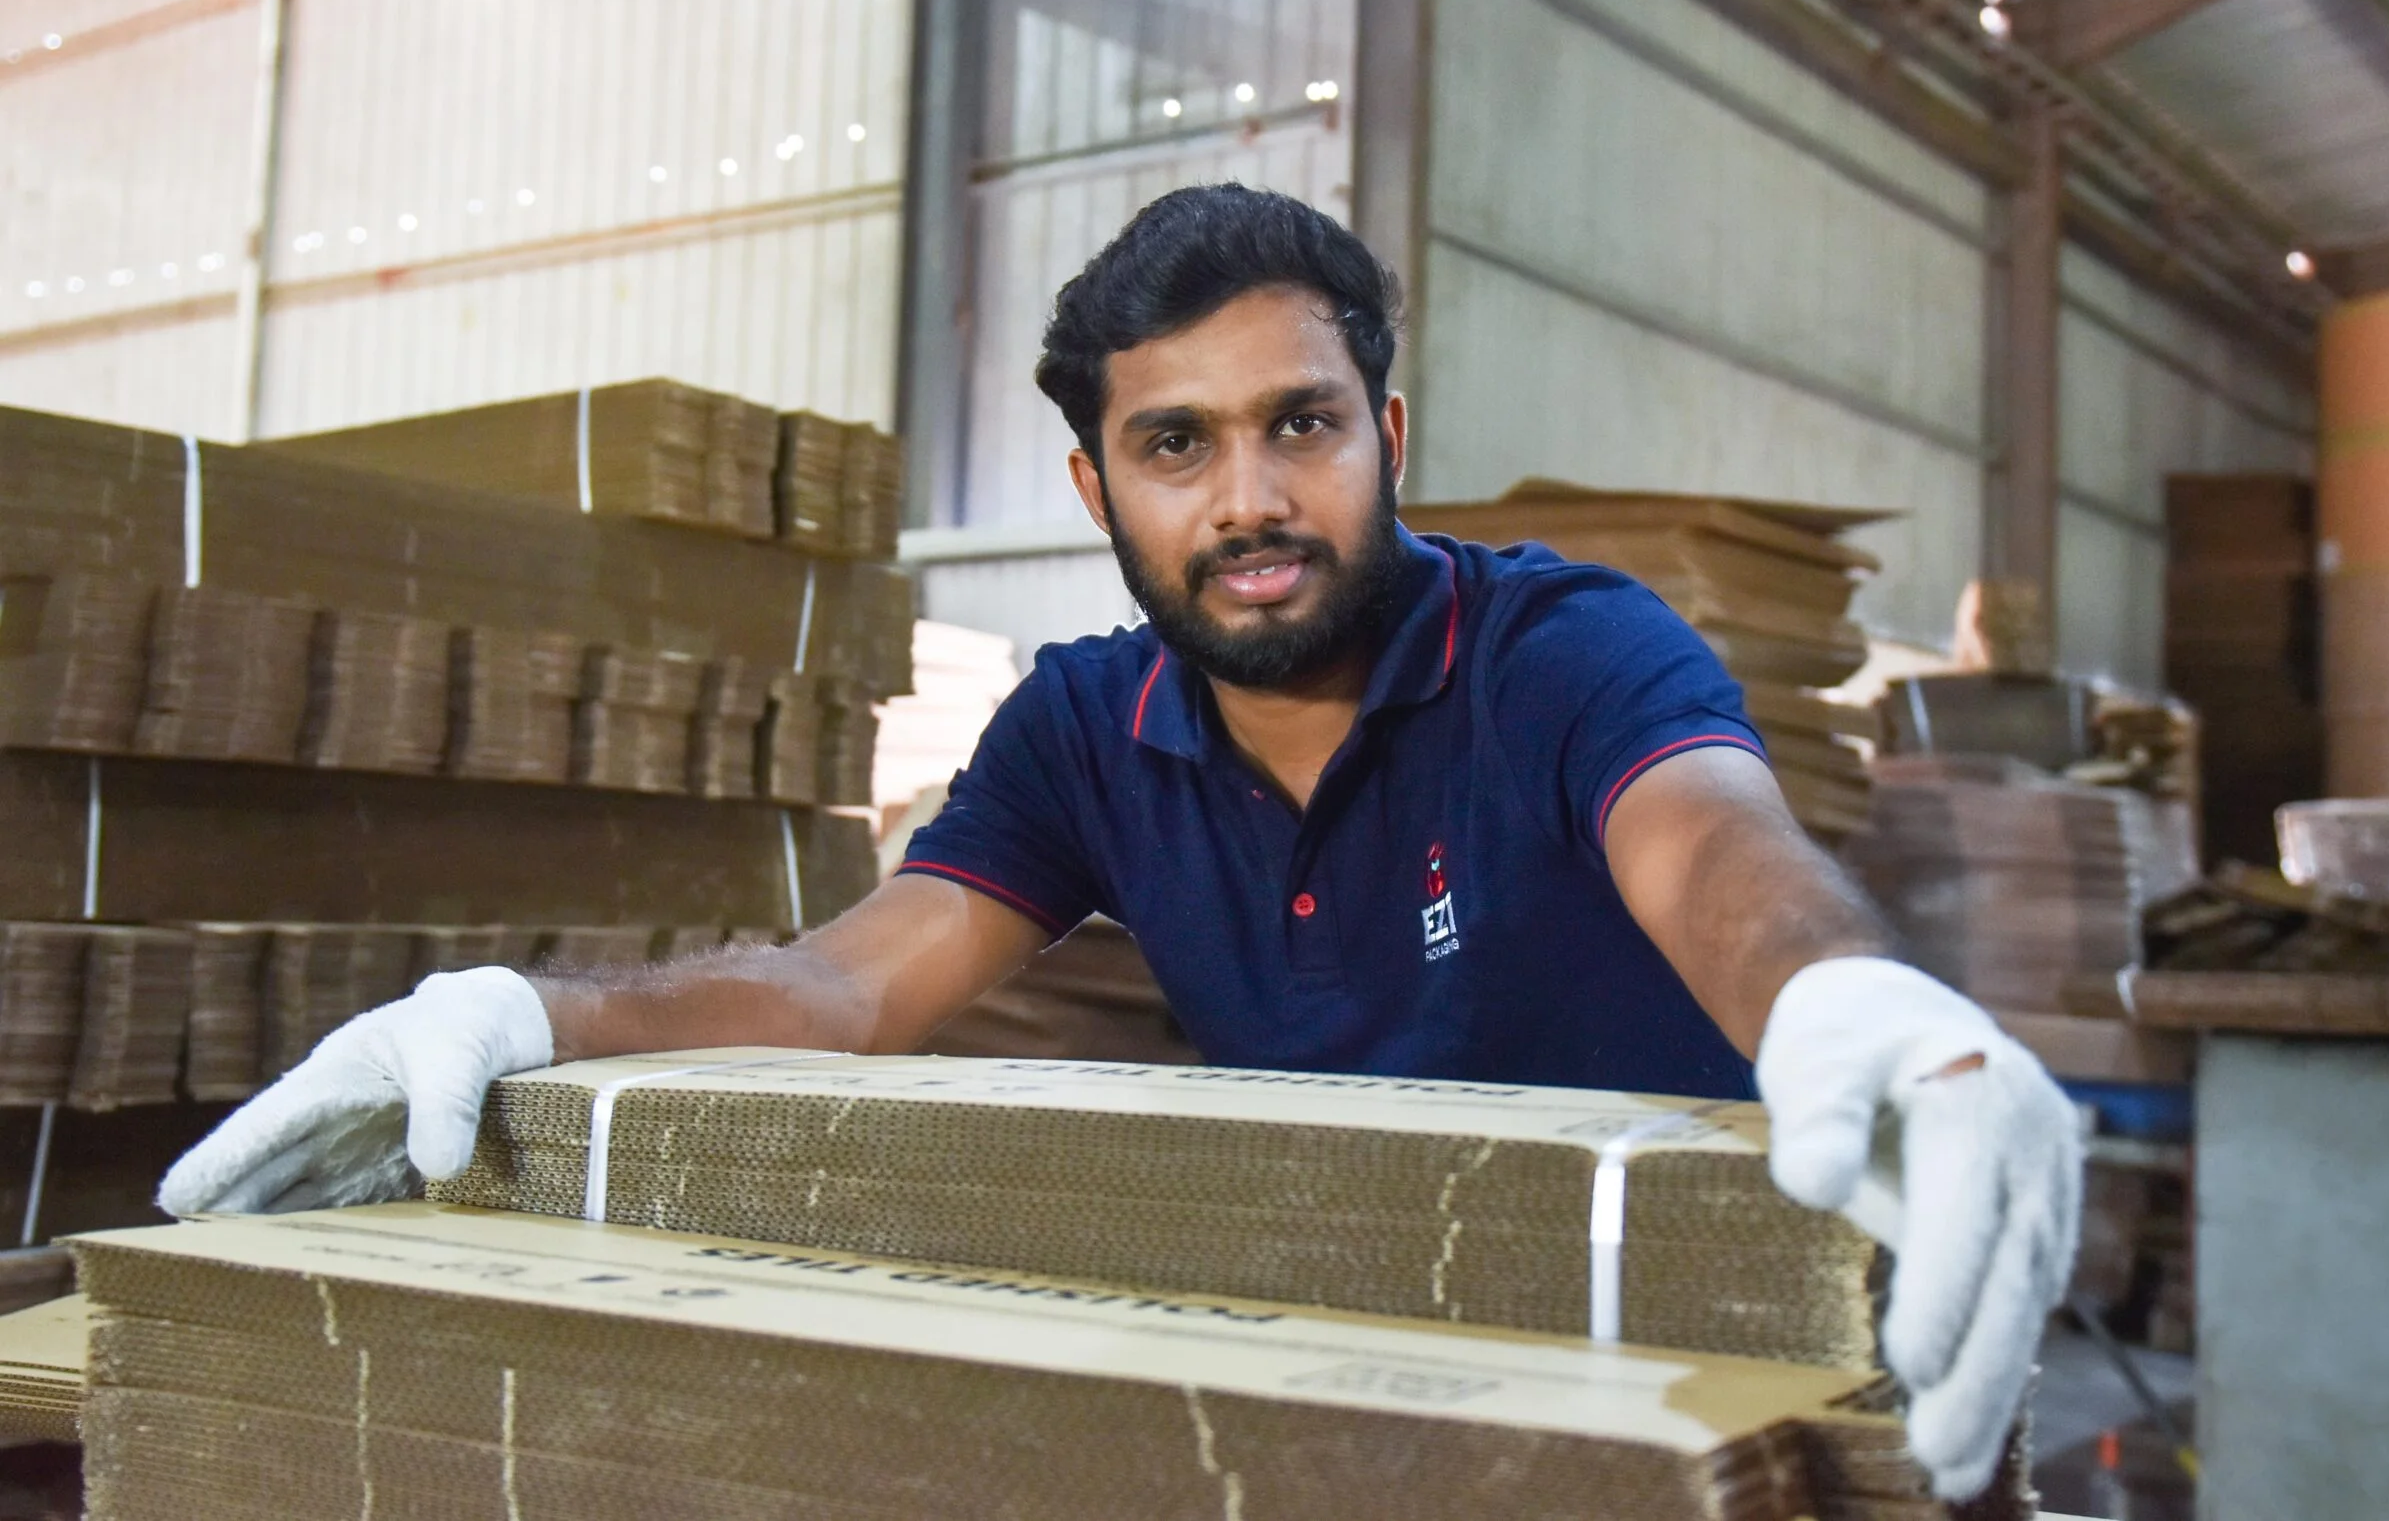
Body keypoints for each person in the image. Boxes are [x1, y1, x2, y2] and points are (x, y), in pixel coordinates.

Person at [161, 184, 2078, 1499]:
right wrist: (525, 1019)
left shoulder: (1557, 650)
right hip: (1353, 1381)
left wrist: (1853, 1003)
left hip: (1704, 1373)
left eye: (1300, 423)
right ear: (1096, 482)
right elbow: (845, 985)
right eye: (1177, 446)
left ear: (1387, 423)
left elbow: (1713, 852)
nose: (1252, 499)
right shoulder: (1090, 724)